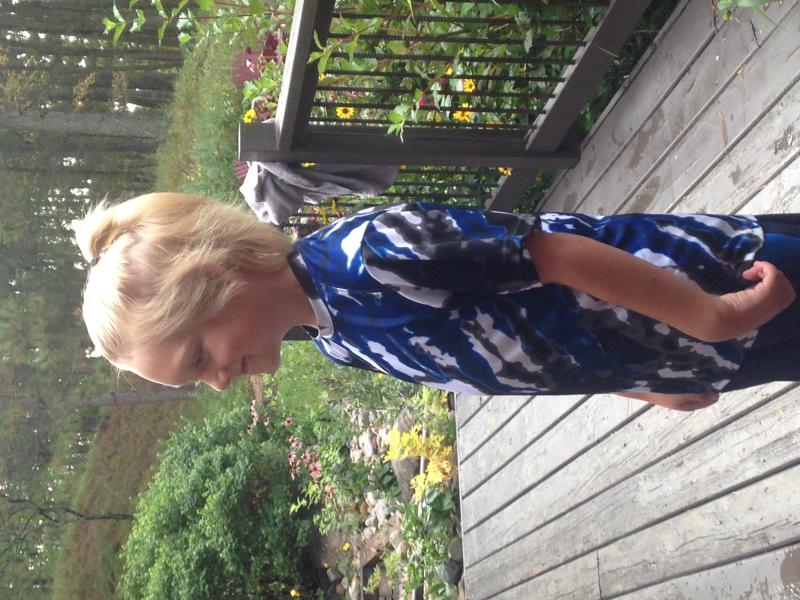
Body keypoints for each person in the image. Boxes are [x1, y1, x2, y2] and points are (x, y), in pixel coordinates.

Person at [73, 192, 800, 412]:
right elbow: (520, 354)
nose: (217, 381)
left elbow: (557, 255)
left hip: (711, 279)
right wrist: (641, 384)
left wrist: (707, 314)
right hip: (689, 352)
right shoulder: (336, 338)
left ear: (222, 273)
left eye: (198, 357)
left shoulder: (376, 254)